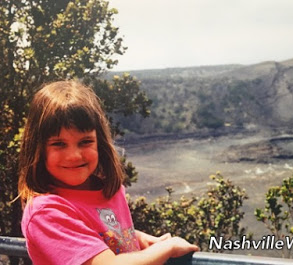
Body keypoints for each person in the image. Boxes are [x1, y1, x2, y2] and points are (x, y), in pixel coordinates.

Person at [18, 80, 199, 265]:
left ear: (100, 143)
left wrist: (135, 238)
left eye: (85, 142)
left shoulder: (107, 191)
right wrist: (167, 248)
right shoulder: (46, 213)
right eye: (59, 144)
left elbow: (98, 235)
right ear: (38, 149)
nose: (74, 155)